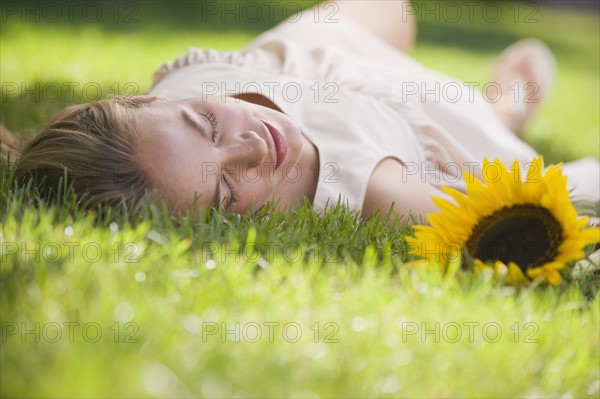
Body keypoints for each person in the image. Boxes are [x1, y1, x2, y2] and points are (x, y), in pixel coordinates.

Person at [9, 1, 600, 223]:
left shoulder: (183, 88)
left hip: (317, 59)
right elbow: (550, 201)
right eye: (226, 194)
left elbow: (91, 133)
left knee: (391, 9)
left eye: (207, 125)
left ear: (149, 100)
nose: (253, 148)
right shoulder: (370, 187)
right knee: (485, 142)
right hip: (416, 123)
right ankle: (499, 115)